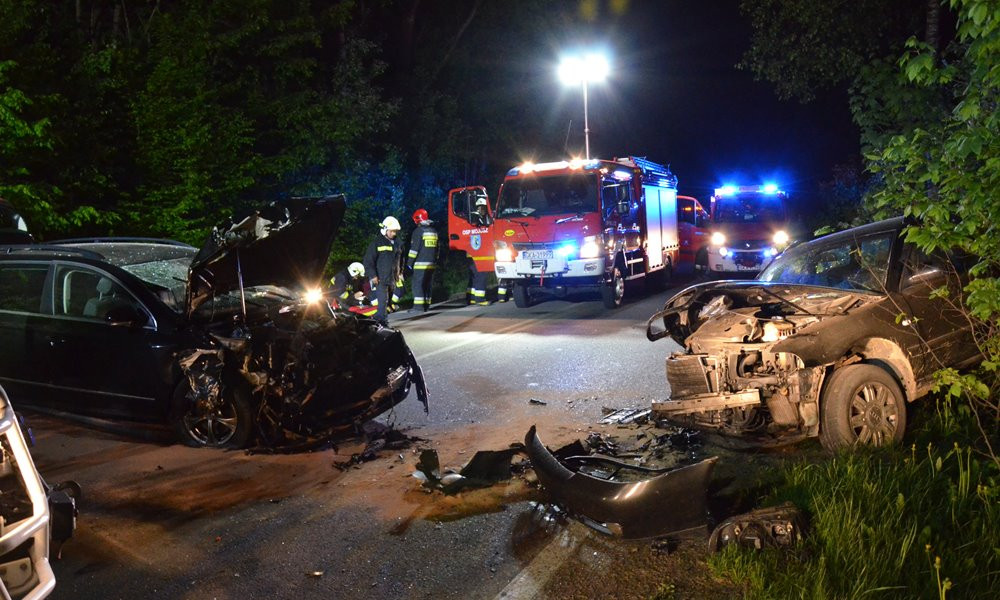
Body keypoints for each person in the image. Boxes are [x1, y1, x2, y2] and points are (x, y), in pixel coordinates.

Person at [362, 216, 403, 325]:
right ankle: (382, 323)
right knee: (382, 302)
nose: (394, 233)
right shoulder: (377, 243)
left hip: (393, 278)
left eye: (395, 231)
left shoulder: (398, 243)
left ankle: (377, 321)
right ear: (385, 229)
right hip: (380, 279)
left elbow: (400, 259)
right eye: (392, 231)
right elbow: (368, 261)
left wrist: (400, 272)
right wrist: (373, 275)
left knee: (389, 301)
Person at [407, 208, 439, 311]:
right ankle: (426, 305)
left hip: (420, 264)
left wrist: (409, 263)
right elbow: (438, 248)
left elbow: (414, 250)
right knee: (427, 284)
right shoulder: (434, 231)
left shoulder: (418, 231)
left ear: (417, 219)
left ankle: (418, 306)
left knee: (418, 284)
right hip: (432, 263)